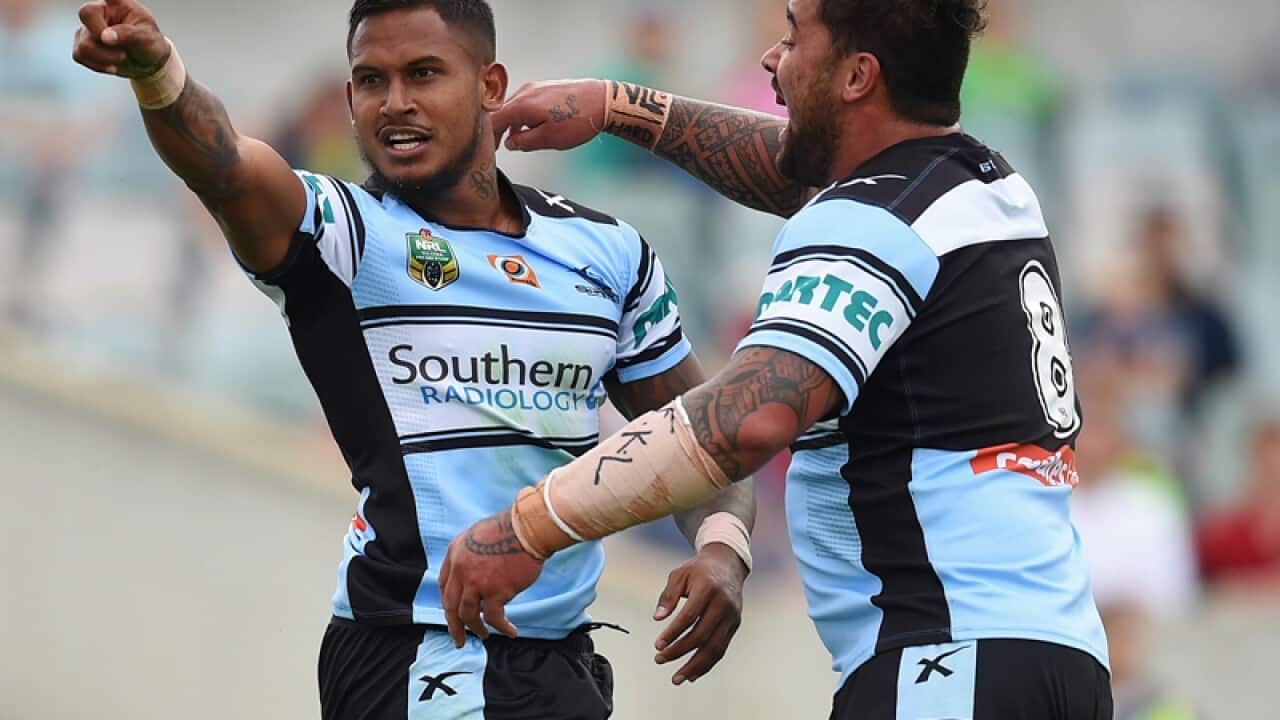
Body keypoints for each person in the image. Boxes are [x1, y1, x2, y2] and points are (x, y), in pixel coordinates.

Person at [71, 1, 756, 718]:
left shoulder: (607, 253)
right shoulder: (346, 236)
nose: (395, 103)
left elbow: (708, 436)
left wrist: (722, 545)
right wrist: (157, 76)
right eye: (371, 81)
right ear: (349, 101)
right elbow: (226, 167)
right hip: (417, 649)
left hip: (559, 662)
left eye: (423, 74)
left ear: (491, 86)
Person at [441, 0, 1113, 717]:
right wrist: (619, 106)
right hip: (1055, 658)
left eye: (794, 36)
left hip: (945, 665)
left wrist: (531, 525)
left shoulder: (869, 224)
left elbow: (751, 419)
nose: (771, 56)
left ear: (857, 76)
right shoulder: (983, 186)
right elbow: (801, 173)